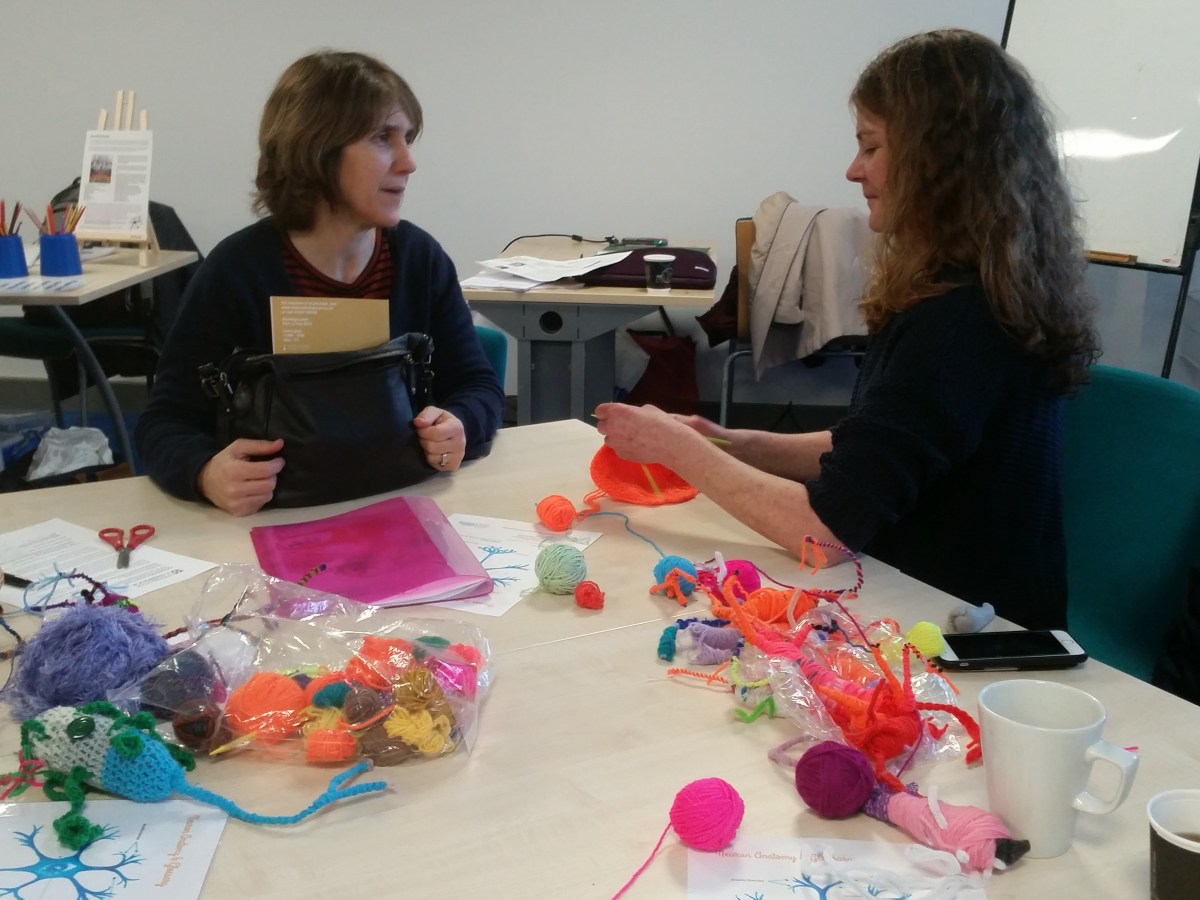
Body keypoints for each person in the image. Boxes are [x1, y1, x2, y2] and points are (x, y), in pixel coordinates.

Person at [596, 29, 1098, 630]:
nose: (853, 170)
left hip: (971, 639)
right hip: (925, 602)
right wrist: (729, 440)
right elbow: (875, 450)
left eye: (872, 147)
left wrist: (678, 450)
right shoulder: (963, 291)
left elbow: (824, 536)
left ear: (936, 159)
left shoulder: (962, 322)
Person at [137, 50, 504, 516]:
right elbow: (163, 422)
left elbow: (477, 385)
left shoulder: (419, 259)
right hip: (275, 525)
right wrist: (204, 472)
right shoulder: (237, 270)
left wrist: (462, 423)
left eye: (408, 138)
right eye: (382, 138)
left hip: (404, 507)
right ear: (316, 150)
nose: (409, 162)